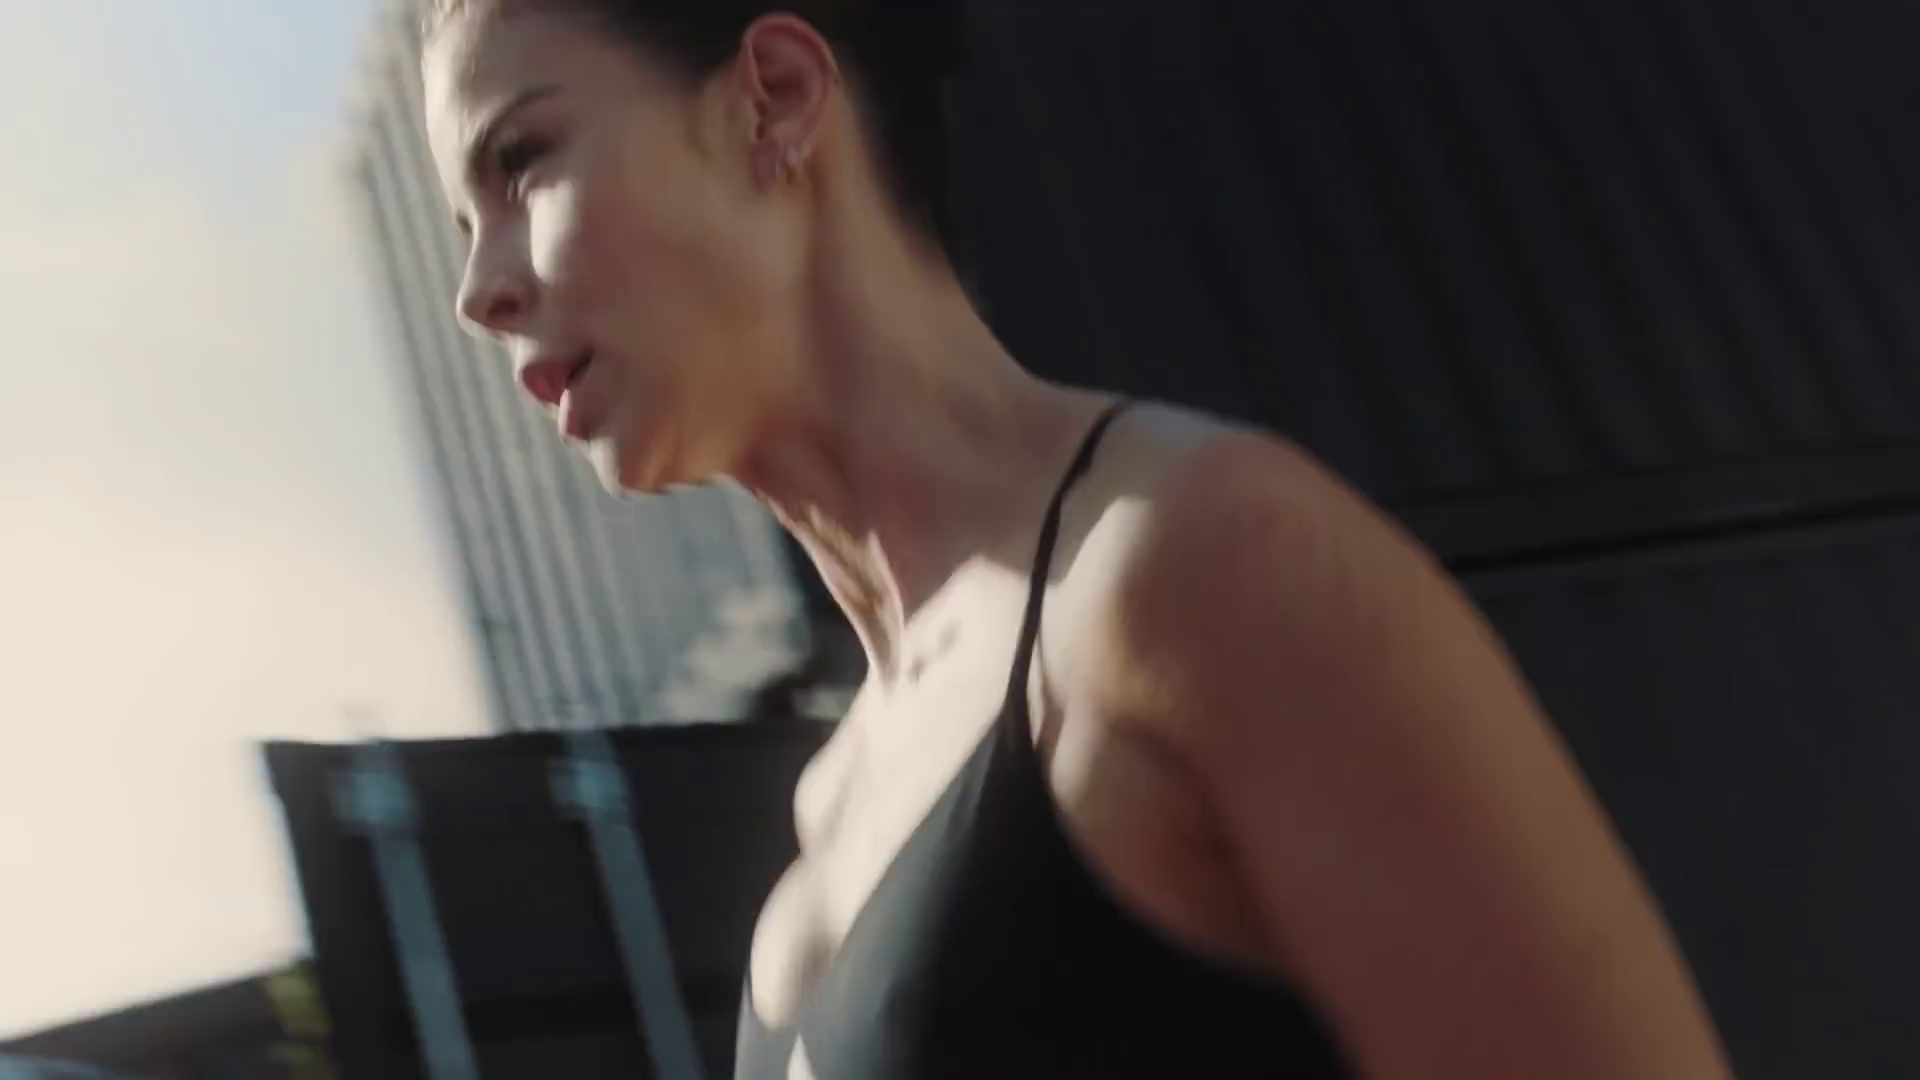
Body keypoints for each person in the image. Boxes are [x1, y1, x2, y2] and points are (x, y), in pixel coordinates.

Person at [417, 1, 1735, 1077]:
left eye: (520, 161)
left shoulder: (1201, 568)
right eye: (464, 229)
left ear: (775, 96)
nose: (478, 292)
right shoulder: (812, 858)